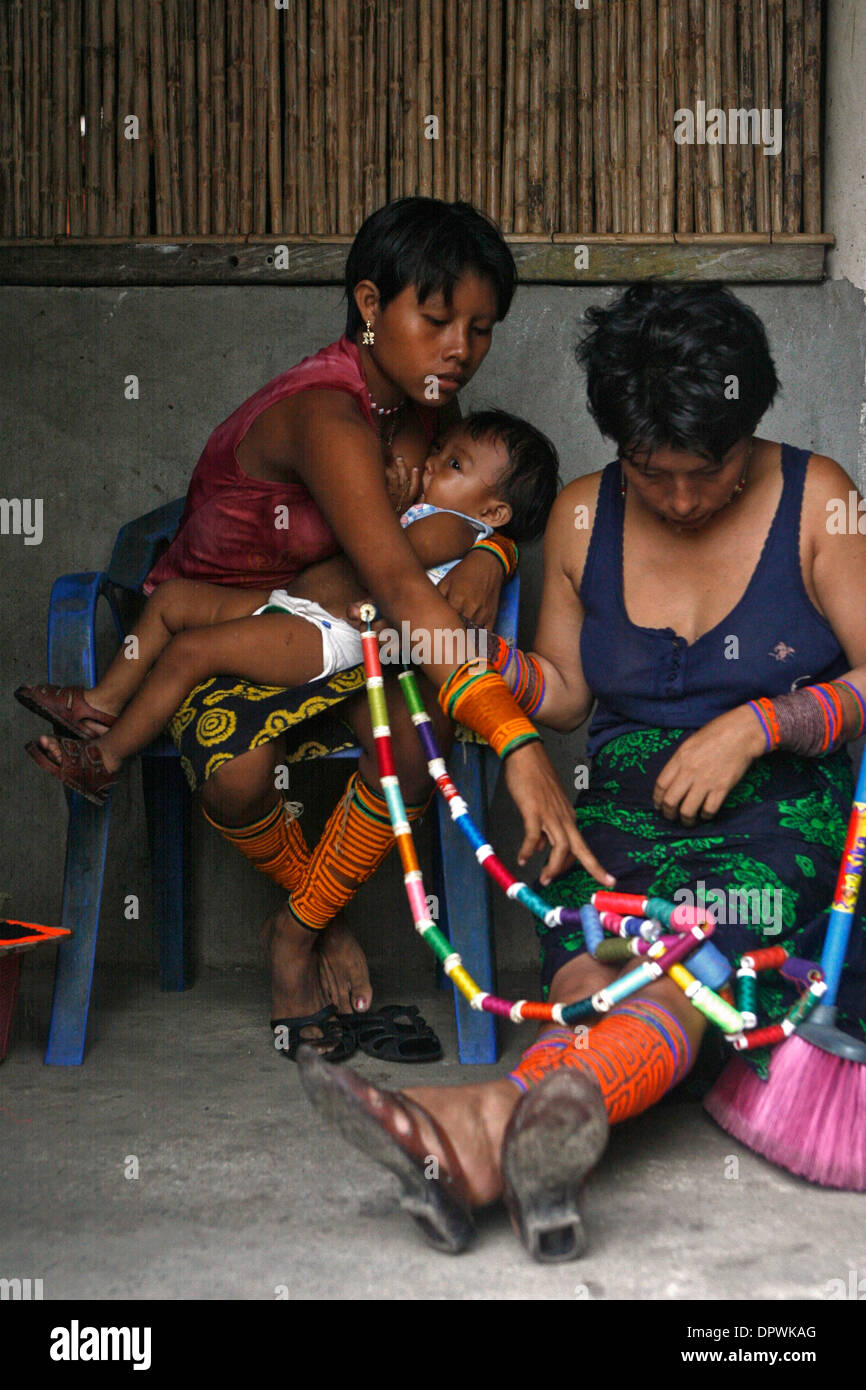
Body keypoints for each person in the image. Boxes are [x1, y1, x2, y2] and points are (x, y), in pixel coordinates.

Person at [297, 282, 866, 1261]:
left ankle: (477, 1131)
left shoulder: (821, 501)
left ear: (749, 423)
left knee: (686, 950)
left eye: (709, 471)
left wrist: (763, 721)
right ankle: (512, 1146)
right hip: (620, 803)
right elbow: (561, 693)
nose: (682, 499)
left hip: (779, 808)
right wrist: (491, 662)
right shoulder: (574, 519)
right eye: (653, 474)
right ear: (616, 443)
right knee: (587, 951)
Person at [18, 197, 612, 1060]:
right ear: (371, 308)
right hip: (255, 621)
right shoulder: (327, 415)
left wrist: (497, 559)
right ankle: (320, 926)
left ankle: (291, 938)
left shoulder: (427, 412)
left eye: (481, 329)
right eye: (438, 318)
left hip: (353, 635)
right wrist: (516, 738)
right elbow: (407, 584)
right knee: (236, 771)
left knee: (417, 736)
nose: (459, 350)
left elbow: (465, 524)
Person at [18, 410, 559, 808]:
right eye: (442, 451)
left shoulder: (453, 524)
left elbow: (393, 562)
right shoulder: (421, 492)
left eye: (454, 464)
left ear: (493, 511)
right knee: (173, 600)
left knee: (190, 650)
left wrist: (388, 512)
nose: (433, 464)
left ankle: (104, 760)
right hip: (294, 604)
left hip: (327, 634)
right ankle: (99, 703)